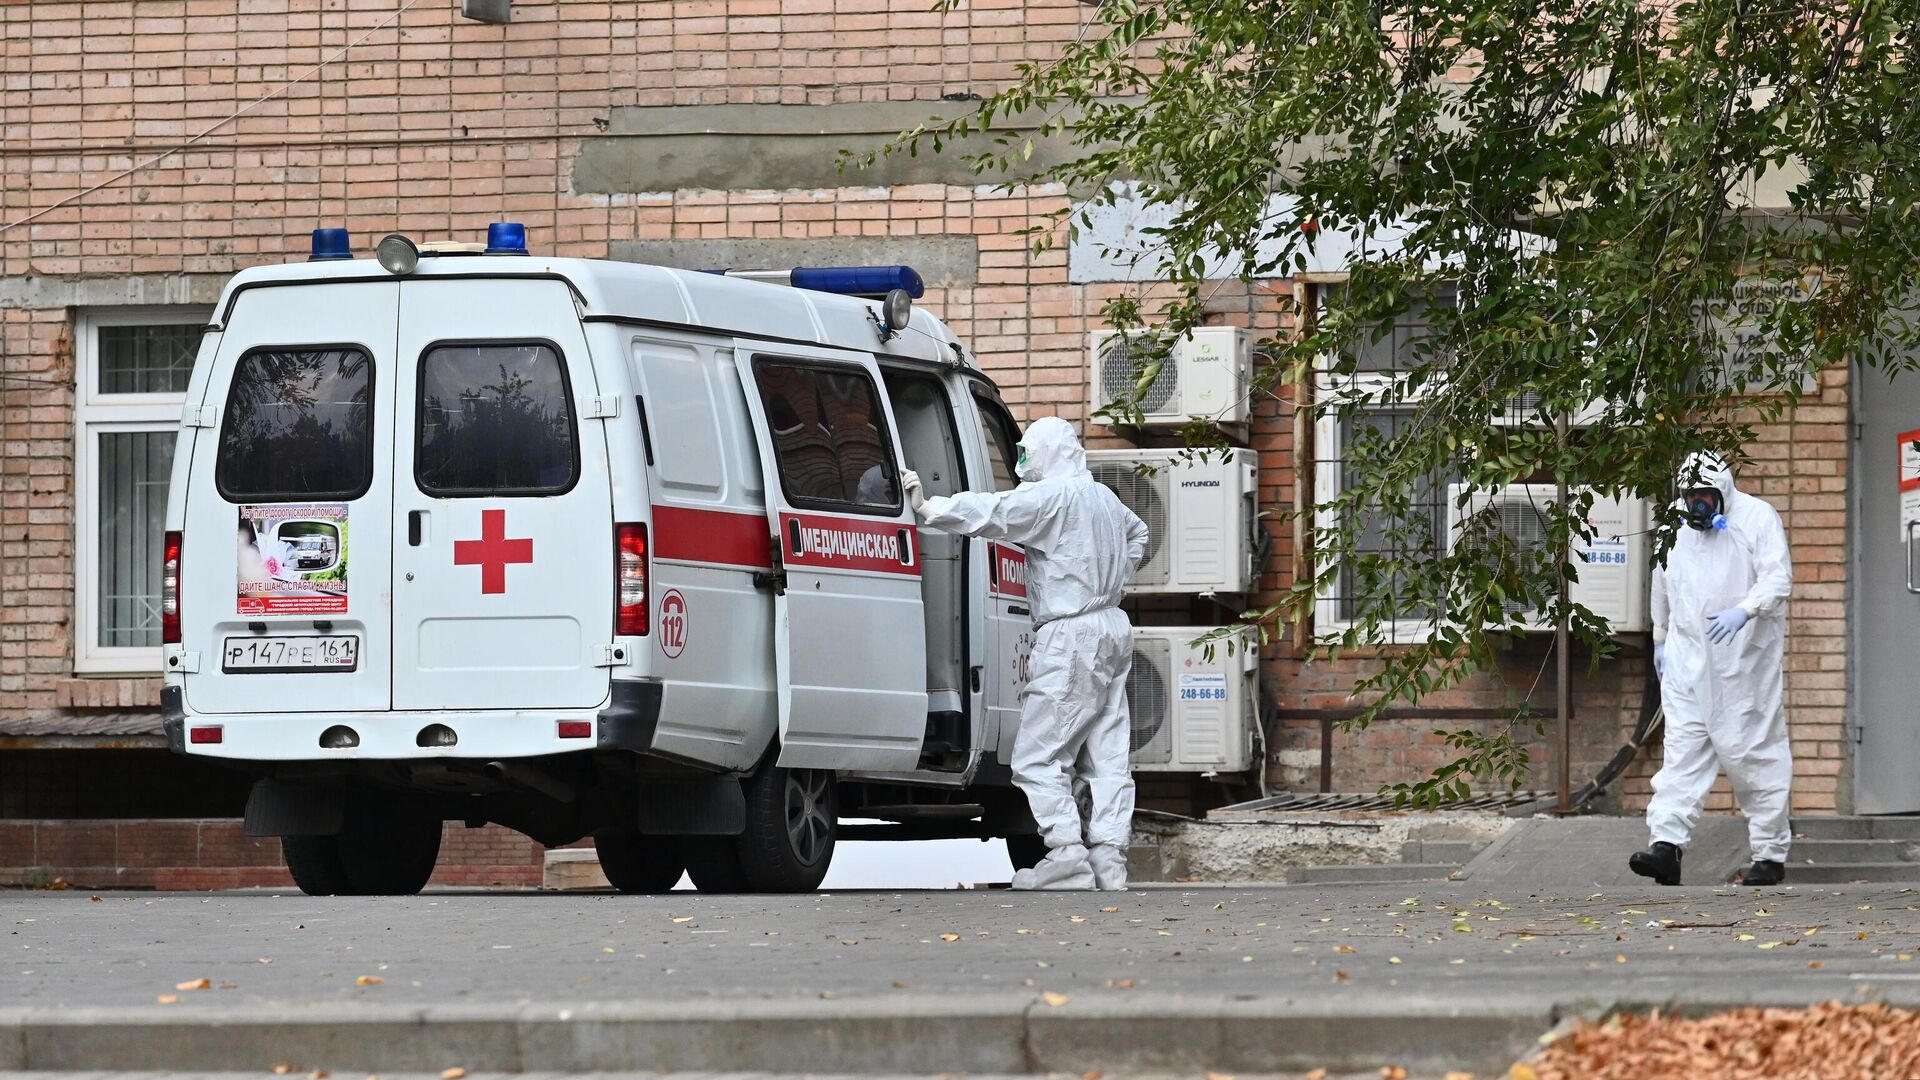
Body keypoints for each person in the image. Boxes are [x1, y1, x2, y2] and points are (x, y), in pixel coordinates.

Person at [902, 416, 1149, 891]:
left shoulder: (1053, 497)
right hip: (1112, 626)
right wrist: (1110, 576)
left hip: (1070, 632)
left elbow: (994, 511)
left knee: (1037, 755)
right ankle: (1109, 861)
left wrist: (929, 508)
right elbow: (1137, 534)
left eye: (1026, 453)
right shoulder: (1103, 498)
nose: (1021, 464)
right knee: (1107, 750)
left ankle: (1066, 855)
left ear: (1048, 453)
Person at [1631, 451, 1794, 887]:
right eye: (1690, 497)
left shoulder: (1757, 519)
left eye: (1705, 497)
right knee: (1681, 755)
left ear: (1723, 492)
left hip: (1744, 667)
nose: (1697, 506)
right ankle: (1666, 848)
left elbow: (1778, 580)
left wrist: (1745, 610)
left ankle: (1770, 853)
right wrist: (1660, 637)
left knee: (1753, 757)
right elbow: (1662, 577)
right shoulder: (1675, 524)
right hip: (1686, 662)